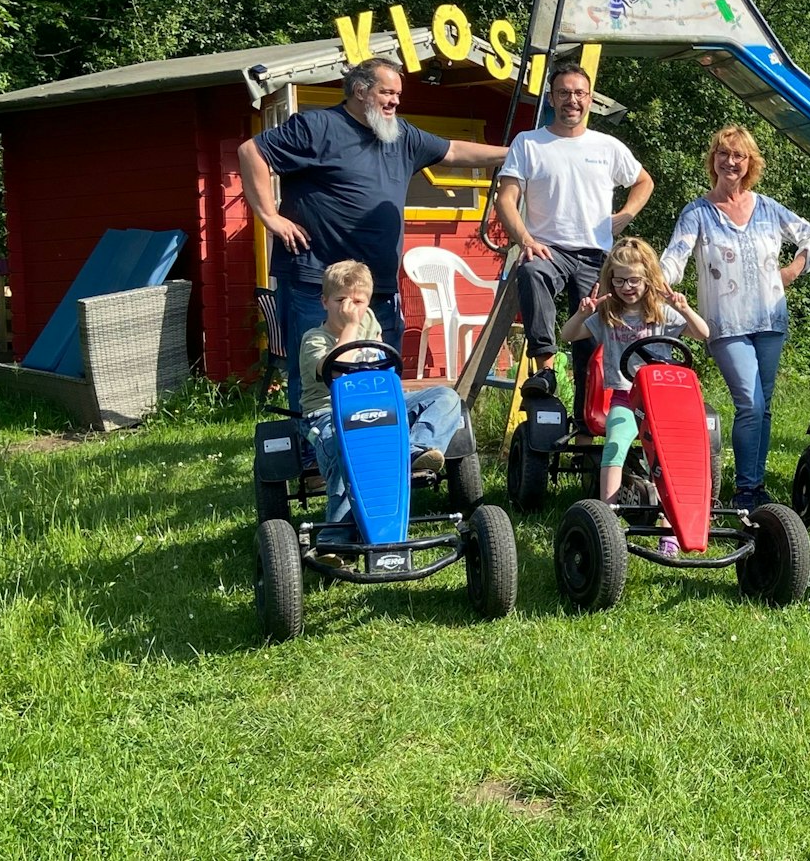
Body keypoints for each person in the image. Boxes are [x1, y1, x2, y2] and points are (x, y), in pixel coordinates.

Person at [240, 57, 513, 415]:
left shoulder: (401, 135)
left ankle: (375, 454)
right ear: (360, 91)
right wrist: (270, 217)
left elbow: (454, 151)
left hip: (378, 287)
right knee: (317, 376)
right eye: (387, 92)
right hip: (317, 283)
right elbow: (252, 152)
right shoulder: (318, 126)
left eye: (398, 93)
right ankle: (313, 453)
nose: (395, 101)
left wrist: (515, 154)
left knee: (380, 373)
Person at [660, 125, 810, 510]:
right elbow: (675, 257)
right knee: (749, 402)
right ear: (713, 159)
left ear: (750, 163)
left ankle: (755, 483)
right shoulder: (697, 212)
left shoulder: (766, 207)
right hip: (725, 323)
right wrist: (651, 282)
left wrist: (792, 271)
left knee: (763, 405)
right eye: (723, 154)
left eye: (739, 156)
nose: (730, 162)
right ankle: (746, 490)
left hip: (770, 319)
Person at [495, 61, 655, 413]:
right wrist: (524, 239)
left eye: (579, 93)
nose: (572, 100)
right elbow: (505, 198)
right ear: (551, 98)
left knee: (591, 340)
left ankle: (587, 425)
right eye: (564, 93)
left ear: (589, 99)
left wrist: (625, 216)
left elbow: (644, 181)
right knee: (532, 272)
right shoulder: (529, 143)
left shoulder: (607, 146)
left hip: (596, 256)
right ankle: (546, 369)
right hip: (548, 249)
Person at [297, 261, 467, 543]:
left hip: (382, 404)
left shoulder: (369, 320)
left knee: (446, 397)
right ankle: (335, 538)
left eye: (358, 301)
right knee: (345, 451)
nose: (349, 307)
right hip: (330, 412)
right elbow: (336, 369)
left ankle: (414, 450)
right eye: (340, 300)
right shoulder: (314, 339)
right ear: (324, 302)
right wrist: (351, 327)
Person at [563, 237, 710, 553]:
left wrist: (684, 309)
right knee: (614, 447)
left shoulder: (662, 314)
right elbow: (568, 335)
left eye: (633, 280)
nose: (626, 286)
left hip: (662, 402)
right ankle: (606, 521)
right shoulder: (607, 316)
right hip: (624, 398)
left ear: (648, 279)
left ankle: (670, 530)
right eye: (619, 280)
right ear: (610, 280)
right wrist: (581, 313)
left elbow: (702, 333)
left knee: (667, 459)